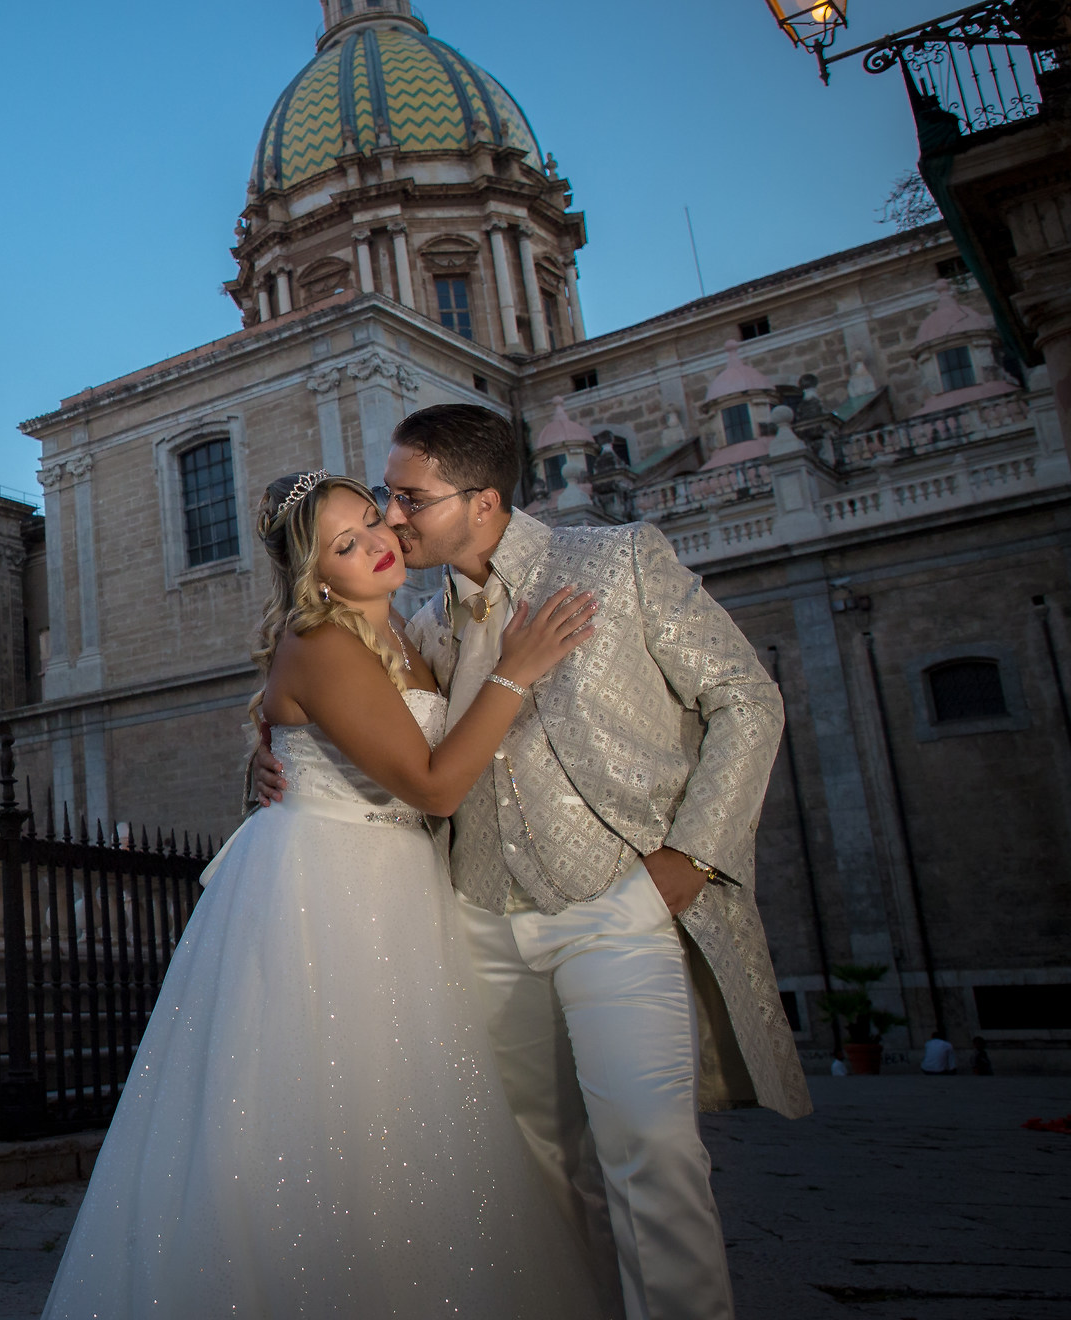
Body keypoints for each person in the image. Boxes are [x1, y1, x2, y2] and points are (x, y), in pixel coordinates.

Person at [253, 404, 811, 1320]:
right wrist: (268, 754)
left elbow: (747, 701)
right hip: (476, 925)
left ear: (483, 499)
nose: (392, 519)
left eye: (408, 499)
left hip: (615, 906)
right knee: (533, 1169)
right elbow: (344, 707)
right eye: (384, 503)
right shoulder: (423, 625)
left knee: (651, 1150)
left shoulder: (619, 561)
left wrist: (693, 858)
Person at [42, 471, 604, 1319]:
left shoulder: (410, 634)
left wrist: (263, 754)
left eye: (374, 521)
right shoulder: (323, 642)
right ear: (315, 573)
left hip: (400, 886)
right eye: (347, 543)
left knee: (407, 1118)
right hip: (326, 889)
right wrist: (518, 671)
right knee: (323, 1112)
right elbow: (435, 786)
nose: (379, 542)